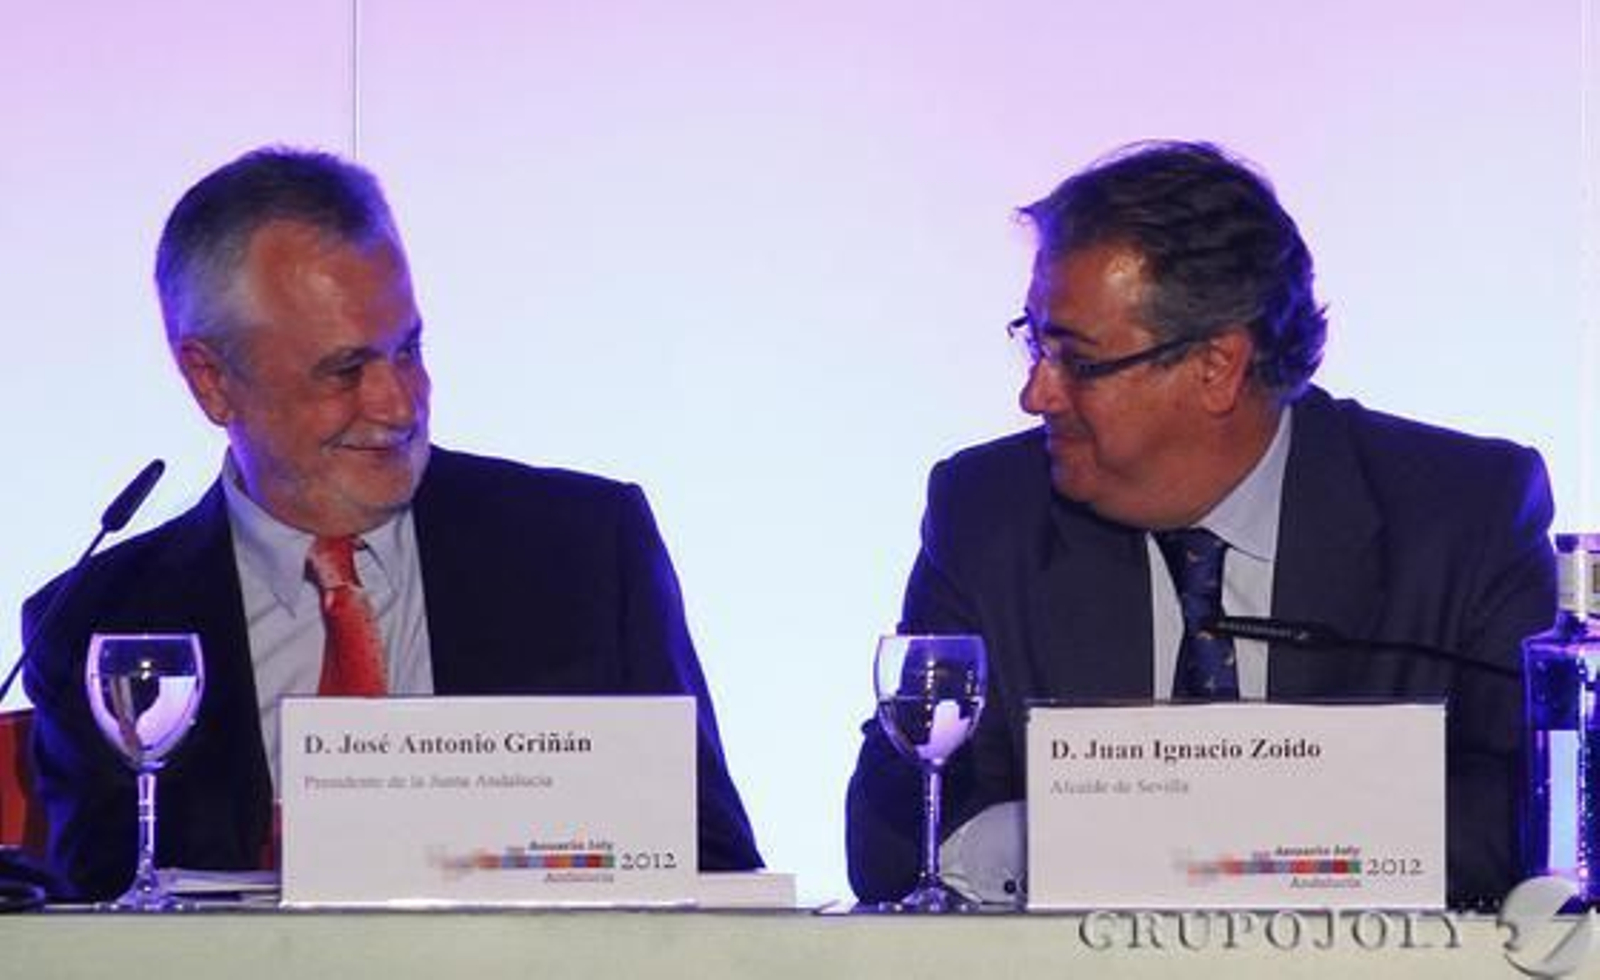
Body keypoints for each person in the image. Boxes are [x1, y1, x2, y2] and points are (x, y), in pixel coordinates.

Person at [23, 147, 762, 900]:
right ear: (211, 381)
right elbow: (102, 916)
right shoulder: (99, 625)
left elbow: (716, 874)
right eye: (344, 371)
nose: (398, 404)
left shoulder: (585, 550)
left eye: (408, 351)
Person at [846, 140, 1556, 910]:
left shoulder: (1464, 512)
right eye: (1034, 343)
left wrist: (1208, 841)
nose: (1035, 395)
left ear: (1217, 367)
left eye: (1076, 360)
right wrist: (1066, 846)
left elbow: (1538, 809)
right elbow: (895, 826)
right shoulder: (989, 512)